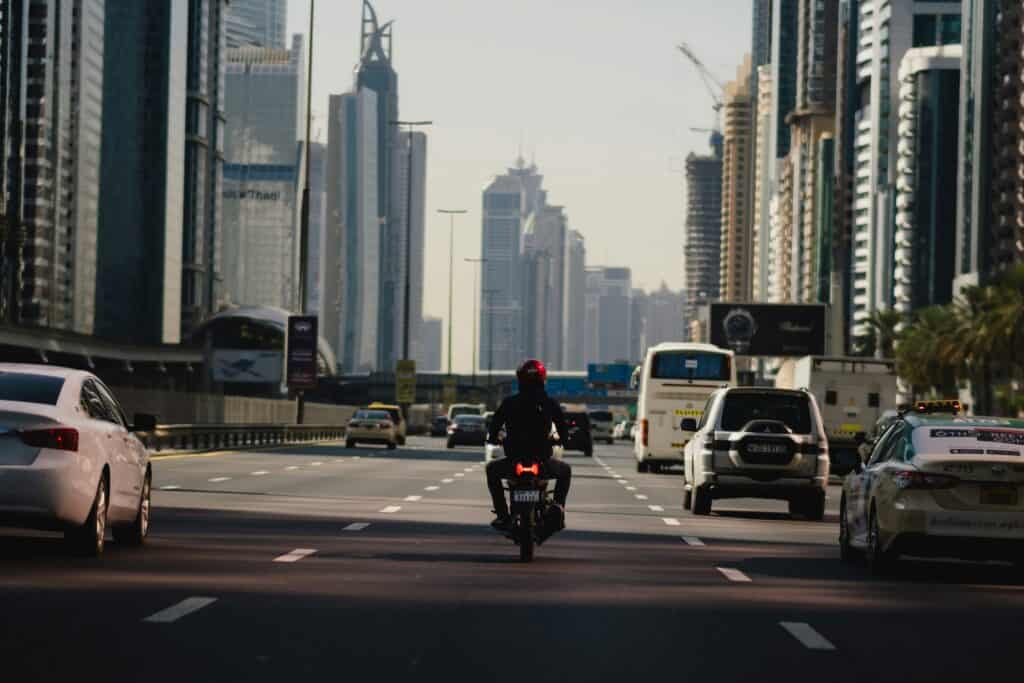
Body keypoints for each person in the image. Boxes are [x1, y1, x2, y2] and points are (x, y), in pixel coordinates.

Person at [485, 359, 572, 531]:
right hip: (541, 460)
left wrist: (493, 438)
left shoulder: (510, 402)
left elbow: (494, 425)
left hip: (514, 459)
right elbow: (562, 428)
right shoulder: (549, 402)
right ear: (542, 379)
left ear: (520, 380)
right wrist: (563, 439)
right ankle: (558, 508)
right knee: (565, 471)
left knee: (491, 470)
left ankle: (503, 515)